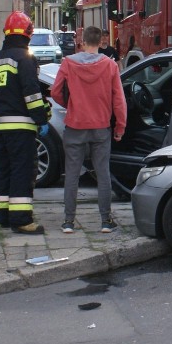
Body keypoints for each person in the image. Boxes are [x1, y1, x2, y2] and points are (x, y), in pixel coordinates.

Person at [51, 26, 127, 234]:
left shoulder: (68, 63)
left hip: (75, 126)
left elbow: (55, 91)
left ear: (82, 42)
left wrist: (71, 105)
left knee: (72, 174)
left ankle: (68, 221)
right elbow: (119, 100)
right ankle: (105, 221)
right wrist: (119, 126)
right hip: (101, 127)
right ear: (100, 42)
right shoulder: (110, 66)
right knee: (103, 173)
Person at [0, 11, 49, 235]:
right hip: (21, 125)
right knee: (23, 171)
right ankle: (22, 220)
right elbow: (31, 93)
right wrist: (41, 118)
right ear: (28, 33)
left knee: (5, 170)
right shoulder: (25, 58)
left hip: (1, 125)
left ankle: (4, 216)